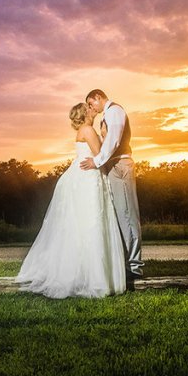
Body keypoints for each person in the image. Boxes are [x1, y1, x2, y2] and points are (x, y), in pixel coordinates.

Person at [15, 102, 127, 298]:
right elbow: (101, 154)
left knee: (82, 223)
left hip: (81, 175)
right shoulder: (88, 130)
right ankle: (94, 278)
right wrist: (105, 135)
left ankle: (86, 272)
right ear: (85, 114)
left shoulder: (83, 130)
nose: (94, 110)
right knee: (92, 222)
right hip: (88, 177)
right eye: (90, 109)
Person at [79, 89, 144, 283]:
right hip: (113, 166)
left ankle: (135, 268)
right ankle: (126, 264)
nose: (91, 108)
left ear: (98, 97)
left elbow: (114, 141)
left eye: (91, 104)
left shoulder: (115, 111)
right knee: (118, 216)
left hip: (121, 165)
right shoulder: (107, 115)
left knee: (127, 216)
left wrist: (97, 161)